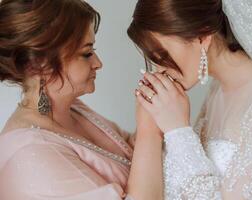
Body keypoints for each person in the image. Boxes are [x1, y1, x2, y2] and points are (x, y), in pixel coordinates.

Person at [128, 0, 252, 199]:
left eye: (162, 55)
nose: (159, 69)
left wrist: (177, 131)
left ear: (202, 36)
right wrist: (151, 128)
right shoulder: (217, 91)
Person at [0, 0, 164, 199]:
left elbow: (129, 151)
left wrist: (156, 106)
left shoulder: (72, 108)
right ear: (40, 65)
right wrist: (149, 130)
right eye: (86, 53)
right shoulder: (30, 155)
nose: (98, 63)